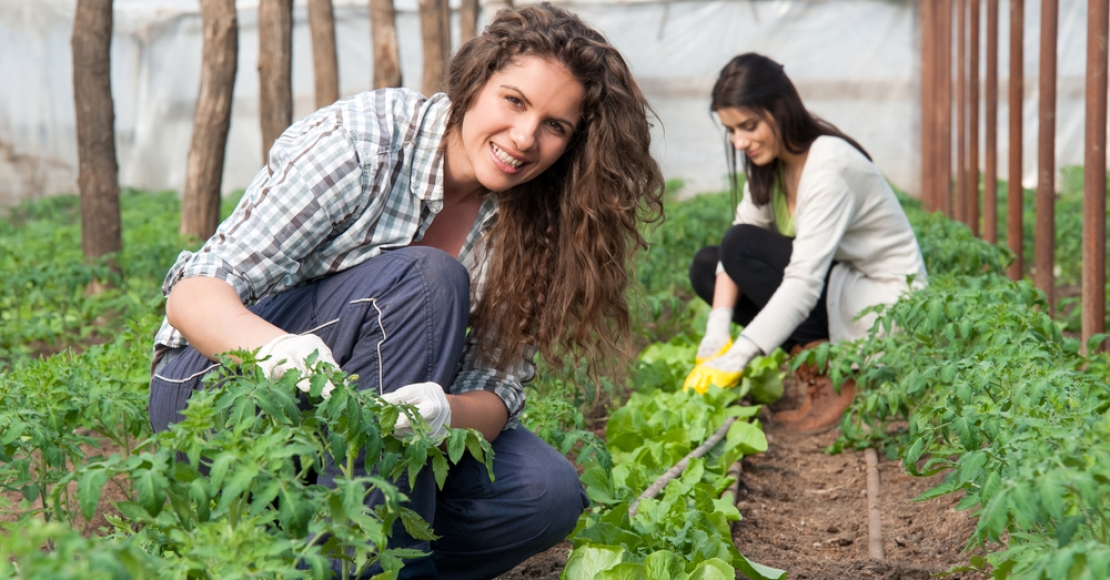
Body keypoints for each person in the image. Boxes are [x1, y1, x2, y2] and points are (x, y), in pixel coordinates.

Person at [147, 4, 664, 578]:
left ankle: (316, 556)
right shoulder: (364, 141)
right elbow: (194, 292)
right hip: (222, 391)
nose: (524, 138)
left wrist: (442, 413)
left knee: (544, 493)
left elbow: (497, 389)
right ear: (475, 82)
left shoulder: (538, 223)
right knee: (427, 279)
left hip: (351, 432)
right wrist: (276, 352)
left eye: (555, 126)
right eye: (514, 101)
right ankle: (373, 566)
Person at [682, 53, 927, 432]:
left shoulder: (829, 165)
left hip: (881, 304)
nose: (740, 141)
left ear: (780, 109)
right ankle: (816, 369)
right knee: (708, 266)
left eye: (747, 126)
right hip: (838, 287)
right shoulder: (772, 164)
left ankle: (837, 378)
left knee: (739, 247)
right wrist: (717, 329)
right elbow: (739, 236)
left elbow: (803, 281)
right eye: (731, 130)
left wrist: (742, 352)